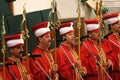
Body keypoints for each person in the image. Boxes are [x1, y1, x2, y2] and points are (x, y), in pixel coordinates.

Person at [103, 12, 120, 80]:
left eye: (119, 23)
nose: (119, 25)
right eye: (117, 24)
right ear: (111, 26)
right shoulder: (107, 39)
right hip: (115, 72)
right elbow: (108, 55)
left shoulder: (118, 36)